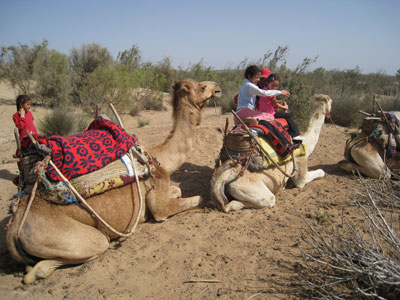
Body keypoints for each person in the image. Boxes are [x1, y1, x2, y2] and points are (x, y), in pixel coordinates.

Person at [258, 71, 303, 142]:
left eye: (276, 86)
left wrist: (277, 103)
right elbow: (274, 103)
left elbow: (272, 102)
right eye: (272, 85)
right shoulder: (270, 92)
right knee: (288, 116)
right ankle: (295, 134)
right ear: (268, 83)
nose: (274, 88)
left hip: (265, 112)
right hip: (269, 113)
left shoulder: (265, 90)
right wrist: (284, 107)